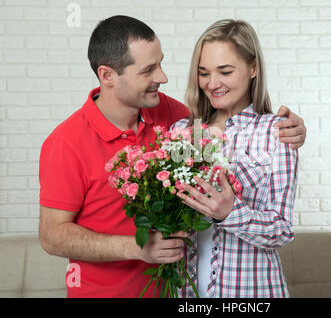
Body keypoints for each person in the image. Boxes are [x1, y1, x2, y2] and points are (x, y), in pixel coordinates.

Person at [39, 15, 306, 298]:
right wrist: (137, 247)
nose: (163, 78)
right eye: (148, 70)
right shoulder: (66, 142)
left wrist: (292, 131)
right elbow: (52, 236)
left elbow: (226, 120)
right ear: (107, 76)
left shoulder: (174, 121)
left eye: (161, 63)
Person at [173, 19, 299, 298]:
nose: (212, 83)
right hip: (187, 291)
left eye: (225, 71)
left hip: (250, 291)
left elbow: (281, 230)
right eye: (203, 73)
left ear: (253, 68)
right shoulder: (181, 132)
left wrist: (230, 213)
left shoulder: (276, 132)